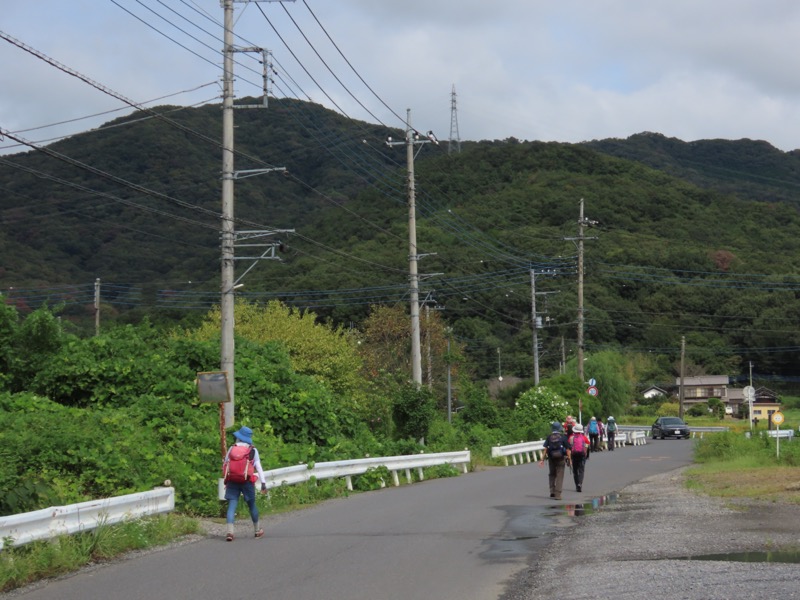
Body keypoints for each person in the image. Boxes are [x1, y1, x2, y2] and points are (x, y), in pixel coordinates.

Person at [222, 426, 267, 541]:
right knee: (251, 505)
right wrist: (263, 483)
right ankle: (257, 531)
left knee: (232, 506)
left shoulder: (232, 449)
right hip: (247, 481)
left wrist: (226, 479)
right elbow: (259, 468)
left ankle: (230, 532)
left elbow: (225, 464)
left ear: (238, 437)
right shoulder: (252, 450)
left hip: (232, 481)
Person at [539, 422, 571, 500]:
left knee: (552, 474)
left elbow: (545, 449)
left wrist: (542, 459)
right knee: (560, 475)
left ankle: (552, 491)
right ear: (559, 428)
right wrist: (569, 459)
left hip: (551, 458)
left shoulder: (549, 437)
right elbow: (568, 449)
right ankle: (558, 494)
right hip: (560, 458)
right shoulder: (563, 437)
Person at [568, 423, 590, 492]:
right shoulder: (584, 437)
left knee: (575, 471)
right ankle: (580, 484)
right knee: (581, 470)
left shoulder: (571, 437)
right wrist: (585, 452)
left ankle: (577, 484)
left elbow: (569, 447)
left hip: (574, 455)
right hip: (582, 455)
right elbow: (588, 444)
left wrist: (569, 458)